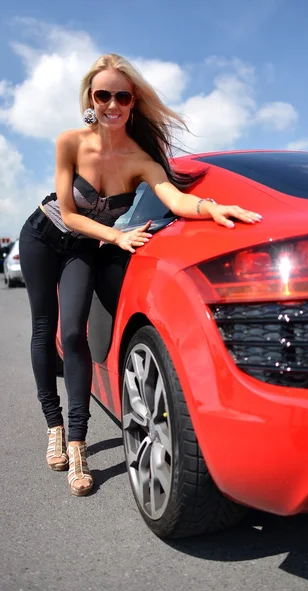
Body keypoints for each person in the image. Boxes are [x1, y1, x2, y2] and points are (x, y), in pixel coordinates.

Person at [19, 53, 262, 497]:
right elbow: (69, 214)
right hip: (43, 235)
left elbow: (174, 198)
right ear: (90, 98)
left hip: (86, 247)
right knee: (43, 328)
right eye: (103, 94)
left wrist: (213, 208)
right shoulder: (70, 142)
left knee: (73, 332)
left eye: (122, 96)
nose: (113, 103)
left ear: (133, 103)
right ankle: (53, 426)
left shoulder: (140, 158)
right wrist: (116, 236)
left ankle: (78, 446)